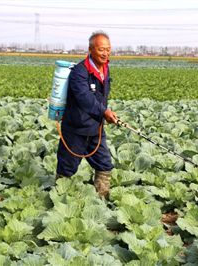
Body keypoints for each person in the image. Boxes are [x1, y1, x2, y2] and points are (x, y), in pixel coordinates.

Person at [56, 30, 118, 198]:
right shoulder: (79, 72)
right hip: (76, 129)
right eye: (101, 49)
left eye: (108, 49)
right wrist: (104, 111)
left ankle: (102, 201)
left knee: (105, 165)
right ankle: (59, 201)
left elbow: (100, 97)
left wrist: (104, 113)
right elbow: (85, 98)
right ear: (90, 50)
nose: (105, 53)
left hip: (96, 128)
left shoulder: (105, 68)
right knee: (66, 170)